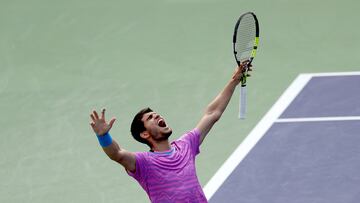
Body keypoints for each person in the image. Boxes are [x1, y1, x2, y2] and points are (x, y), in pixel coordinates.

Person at [90, 62, 251, 203]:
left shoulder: (186, 145)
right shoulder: (143, 163)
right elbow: (116, 154)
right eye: (150, 118)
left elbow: (212, 114)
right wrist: (103, 136)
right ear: (144, 134)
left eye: (156, 114)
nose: (157, 116)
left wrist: (234, 81)